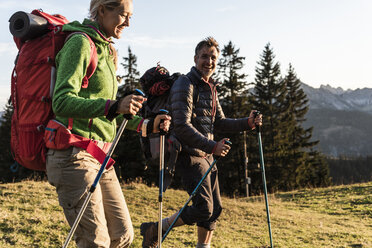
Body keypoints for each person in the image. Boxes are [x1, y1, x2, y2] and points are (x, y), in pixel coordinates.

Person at [45, 0, 171, 247]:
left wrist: (147, 125)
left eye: (131, 17)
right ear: (102, 10)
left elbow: (113, 111)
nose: (128, 22)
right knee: (95, 242)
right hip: (73, 156)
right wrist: (113, 106)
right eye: (123, 15)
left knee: (122, 236)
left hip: (100, 156)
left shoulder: (108, 51)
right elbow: (61, 101)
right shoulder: (80, 43)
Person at [140, 37, 262, 248]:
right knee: (204, 208)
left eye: (213, 57)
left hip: (205, 155)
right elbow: (181, 126)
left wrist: (248, 123)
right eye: (204, 56)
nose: (209, 61)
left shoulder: (210, 87)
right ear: (195, 58)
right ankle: (156, 229)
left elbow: (220, 121)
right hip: (186, 154)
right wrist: (212, 146)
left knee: (214, 210)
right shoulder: (185, 84)